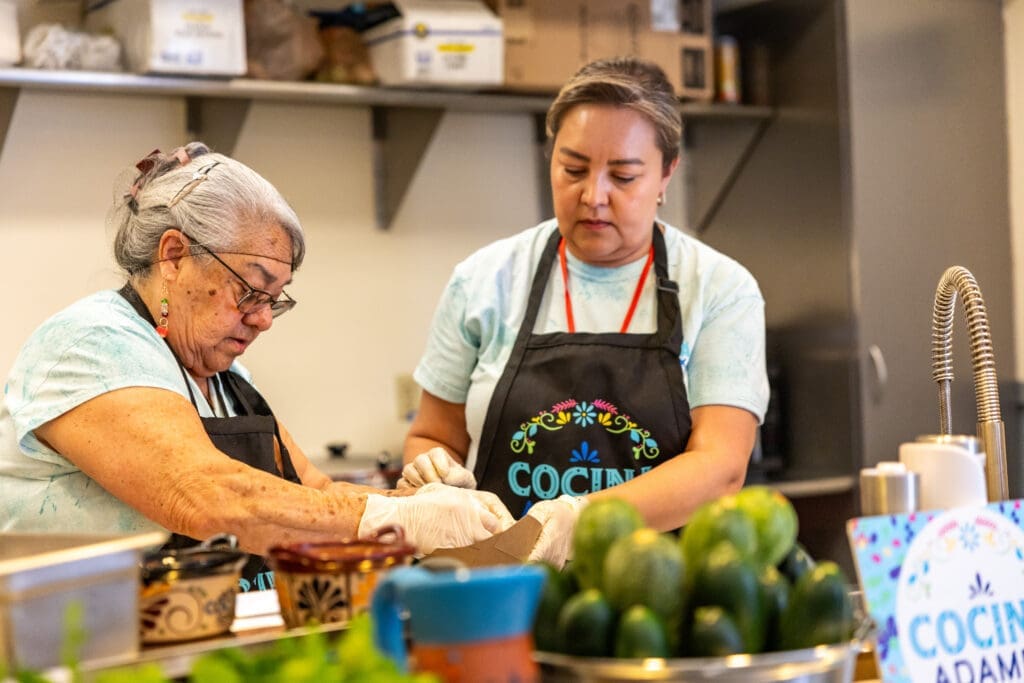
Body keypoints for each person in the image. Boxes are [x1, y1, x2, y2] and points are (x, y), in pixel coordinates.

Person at [0, 143, 513, 591]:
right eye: (249, 289)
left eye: (274, 299)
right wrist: (393, 517)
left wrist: (418, 499)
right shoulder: (91, 343)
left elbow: (317, 495)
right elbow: (204, 496)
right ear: (174, 256)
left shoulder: (224, 379)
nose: (264, 319)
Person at [399, 57, 770, 567]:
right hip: (498, 585)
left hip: (656, 597)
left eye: (623, 176)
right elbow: (433, 435)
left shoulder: (720, 289)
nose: (593, 196)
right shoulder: (484, 280)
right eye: (573, 169)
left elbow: (721, 466)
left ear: (666, 174)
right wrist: (433, 477)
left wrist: (586, 517)